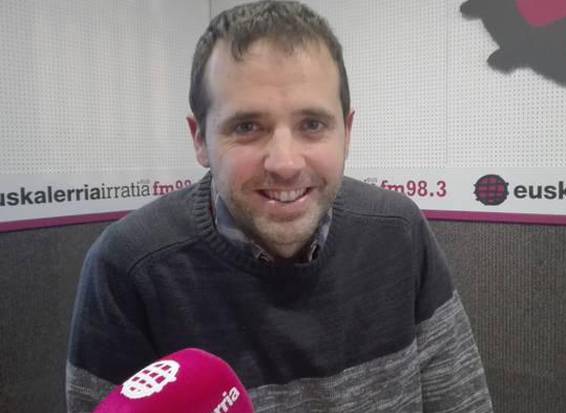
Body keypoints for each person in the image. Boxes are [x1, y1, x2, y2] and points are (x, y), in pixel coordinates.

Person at [66, 1, 492, 411]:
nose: (285, 164)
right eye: (247, 126)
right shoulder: (128, 267)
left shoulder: (399, 232)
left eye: (312, 124)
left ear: (347, 132)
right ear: (200, 139)